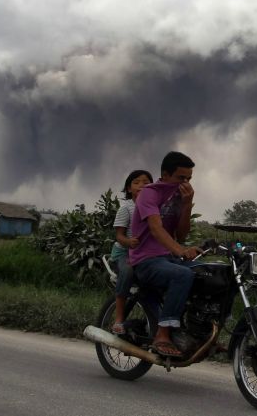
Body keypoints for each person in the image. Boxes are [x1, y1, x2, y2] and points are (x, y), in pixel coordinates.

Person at [129, 151, 201, 357]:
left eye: (189, 179)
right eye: (181, 178)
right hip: (146, 259)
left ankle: (200, 331)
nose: (185, 183)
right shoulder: (149, 194)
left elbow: (181, 234)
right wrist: (181, 251)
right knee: (183, 275)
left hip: (168, 258)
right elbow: (156, 228)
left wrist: (186, 205)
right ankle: (162, 334)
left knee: (212, 273)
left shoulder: (179, 196)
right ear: (165, 175)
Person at [110, 169, 153, 335]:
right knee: (127, 271)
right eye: (136, 182)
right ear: (129, 188)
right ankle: (119, 318)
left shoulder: (155, 207)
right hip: (124, 253)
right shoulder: (126, 208)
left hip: (144, 254)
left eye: (146, 183)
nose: (142, 185)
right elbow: (119, 236)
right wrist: (129, 242)